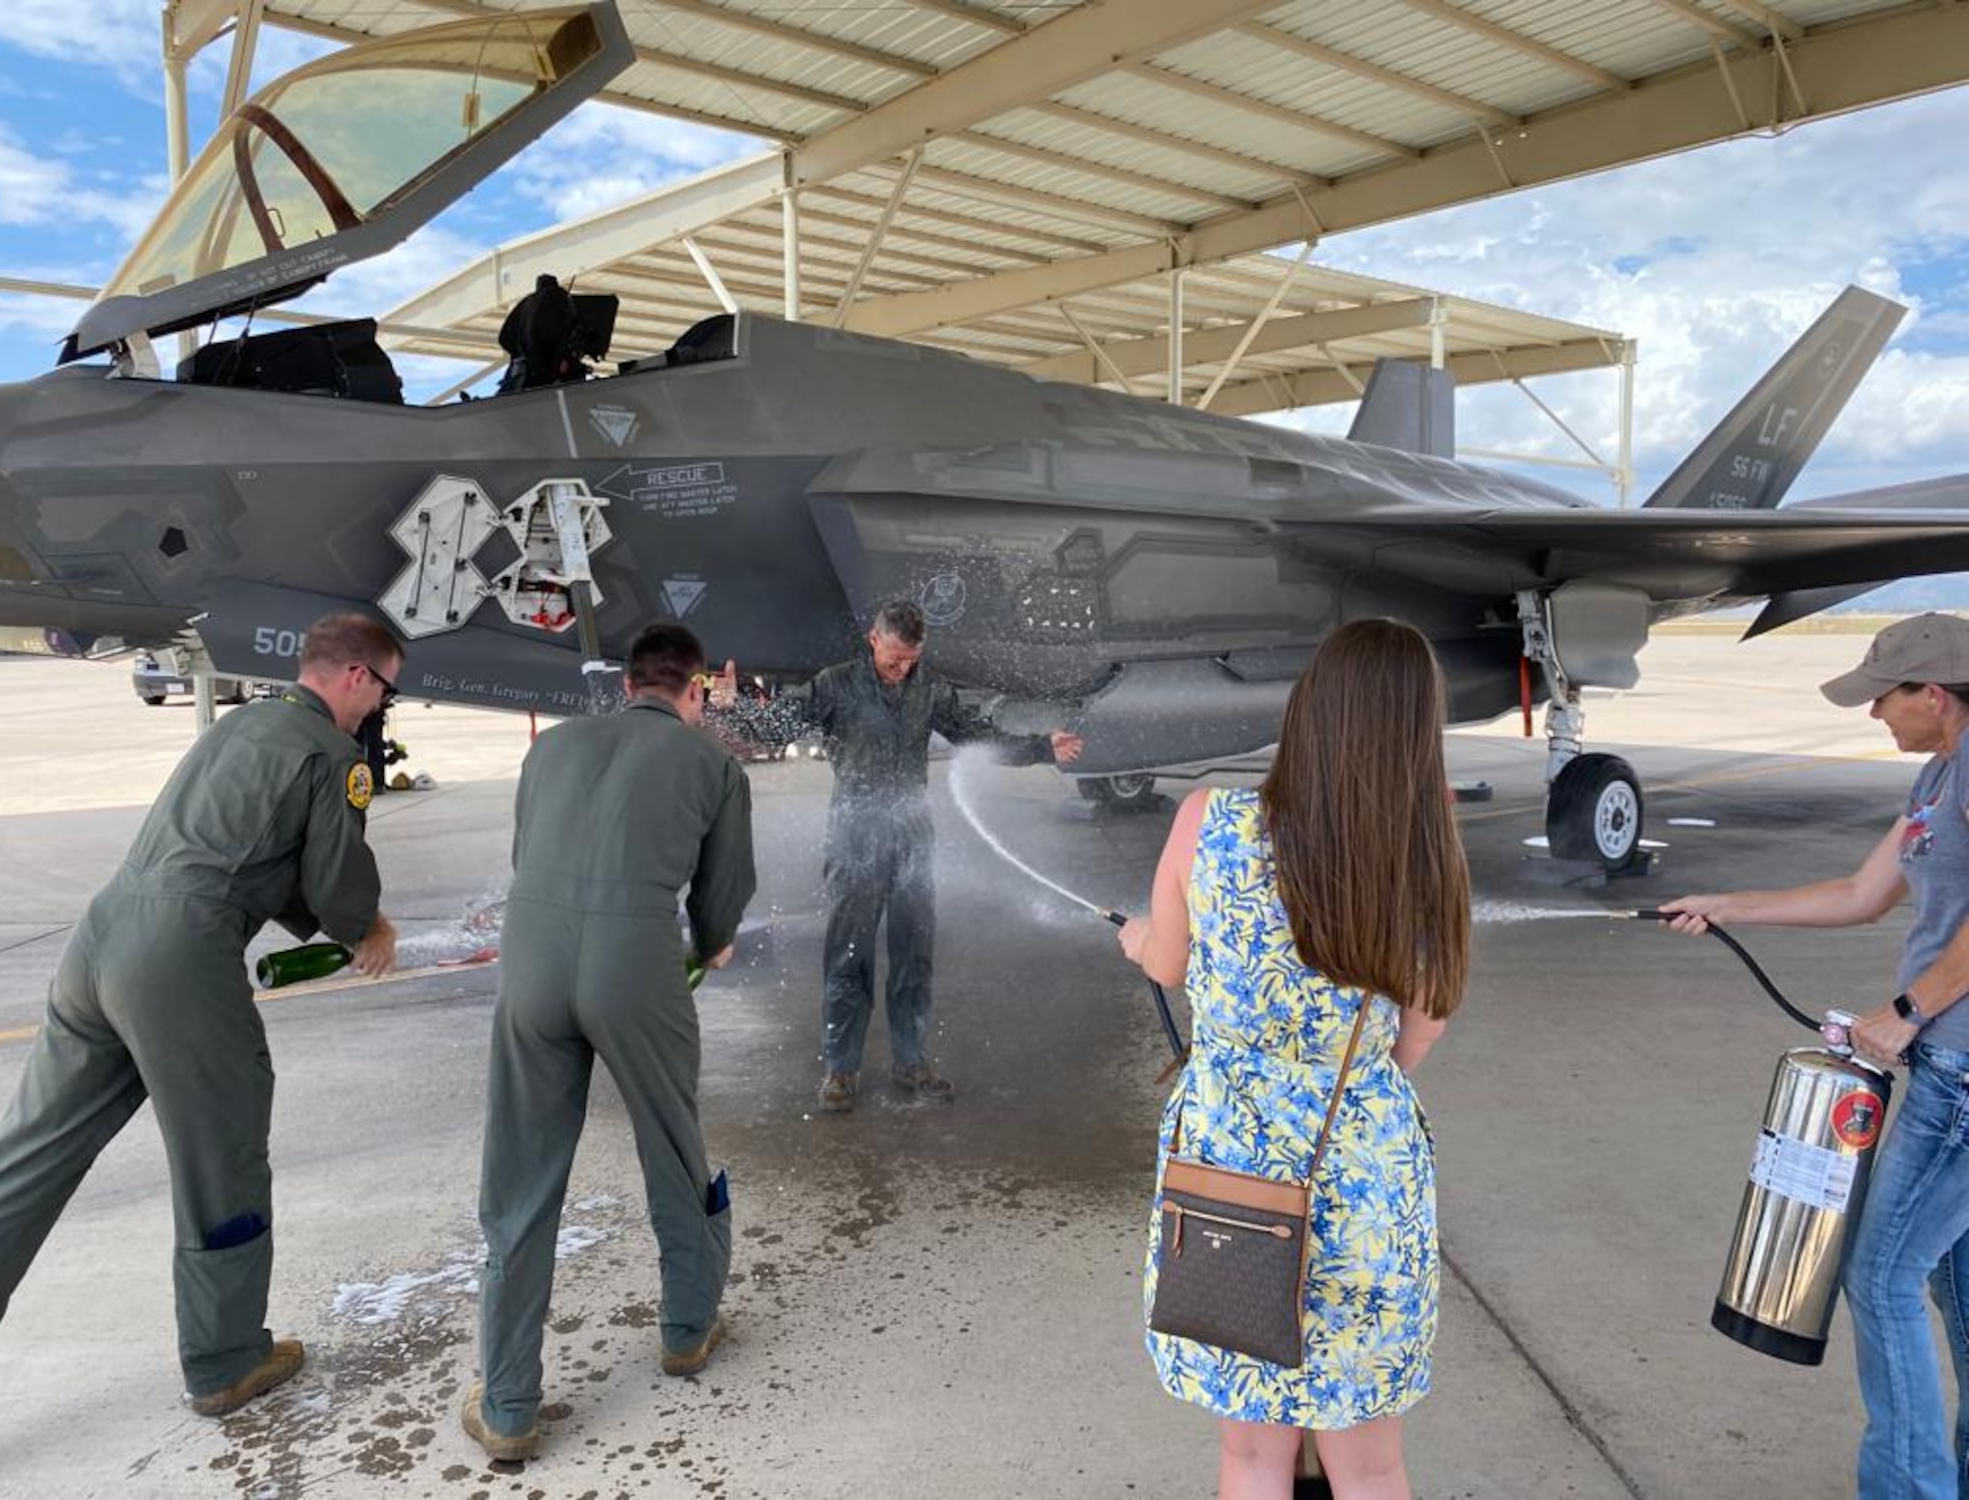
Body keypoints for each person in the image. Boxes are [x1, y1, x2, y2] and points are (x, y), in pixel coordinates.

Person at [0, 612, 400, 1416]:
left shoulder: (238, 728)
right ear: (355, 677)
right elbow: (338, 885)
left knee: (25, 1162)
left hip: (98, 940)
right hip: (179, 956)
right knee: (222, 1153)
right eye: (383, 690)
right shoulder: (331, 755)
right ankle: (227, 1360)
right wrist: (366, 928)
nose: (377, 709)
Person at [1117, 618, 1469, 1500]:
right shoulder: (1422, 852)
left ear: (1311, 706)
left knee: (1252, 1457)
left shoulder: (1211, 820)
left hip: (1231, 1174)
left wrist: (1138, 941)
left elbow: (1166, 962)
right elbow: (1419, 1032)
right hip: (1364, 1174)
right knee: (1372, 1462)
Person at [1660, 611, 1969, 1500]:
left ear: (1933, 693)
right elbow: (1861, 893)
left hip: (1961, 1073)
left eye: (1884, 699)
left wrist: (1907, 1011)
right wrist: (1728, 904)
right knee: (1951, 1278)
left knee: (1880, 1277)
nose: (1876, 716)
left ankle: (1910, 1490)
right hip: (1950, 1069)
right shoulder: (1937, 776)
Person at [465, 621, 755, 1463]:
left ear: (628, 684)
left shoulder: (550, 749)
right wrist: (709, 942)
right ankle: (687, 1330)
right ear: (693, 690)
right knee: (672, 1145)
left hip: (532, 960)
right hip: (635, 961)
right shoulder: (712, 764)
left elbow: (531, 855)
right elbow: (721, 899)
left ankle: (510, 1404)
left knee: (520, 1178)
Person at [760, 600, 1082, 1112]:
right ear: (873, 640)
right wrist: (732, 709)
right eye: (894, 660)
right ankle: (841, 1069)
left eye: (910, 660)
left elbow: (977, 733)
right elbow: (779, 725)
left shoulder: (929, 688)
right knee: (848, 954)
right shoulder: (836, 684)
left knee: (914, 953)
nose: (902, 669)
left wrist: (1041, 747)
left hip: (912, 837)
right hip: (854, 837)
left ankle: (911, 1060)